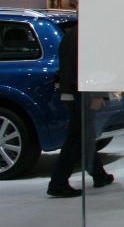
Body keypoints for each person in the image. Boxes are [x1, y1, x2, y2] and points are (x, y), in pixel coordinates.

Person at [47, 22, 113, 197]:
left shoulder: (72, 34)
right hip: (82, 93)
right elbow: (92, 68)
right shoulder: (86, 36)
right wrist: (98, 94)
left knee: (85, 134)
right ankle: (58, 183)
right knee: (77, 136)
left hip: (72, 90)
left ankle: (99, 174)